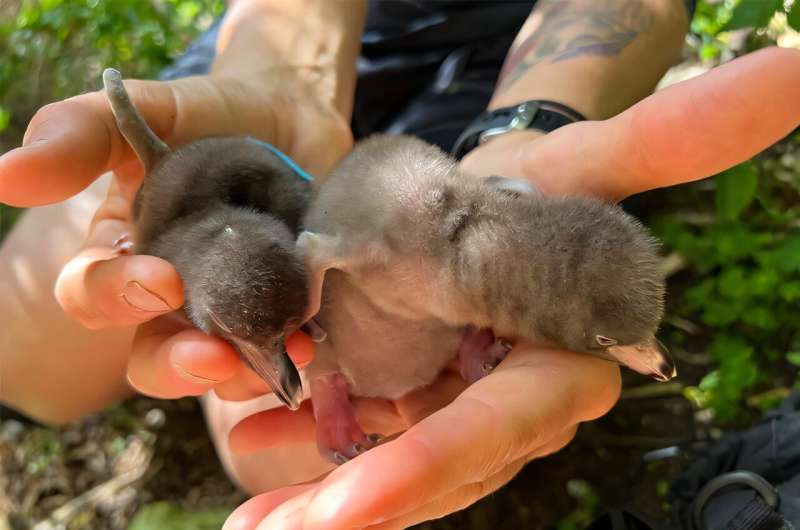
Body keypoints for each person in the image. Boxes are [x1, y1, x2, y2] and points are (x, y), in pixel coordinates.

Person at [1, 0, 798, 527]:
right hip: (322, 56)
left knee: (281, 445)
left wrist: (531, 125)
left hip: (486, 97)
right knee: (29, 356)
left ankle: (271, 351)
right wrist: (287, 81)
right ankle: (258, 339)